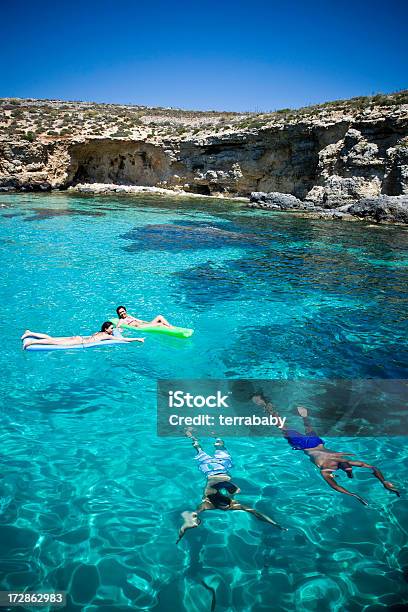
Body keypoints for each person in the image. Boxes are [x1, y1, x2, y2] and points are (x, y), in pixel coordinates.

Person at [252, 393, 400, 506]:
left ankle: (266, 405)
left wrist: (355, 494)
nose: (343, 462)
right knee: (295, 426)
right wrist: (383, 481)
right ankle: (296, 413)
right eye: (345, 463)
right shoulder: (337, 466)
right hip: (315, 443)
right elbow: (372, 468)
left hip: (307, 444)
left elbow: (337, 486)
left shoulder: (327, 470)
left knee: (284, 425)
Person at [176, 432, 286, 544]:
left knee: (207, 449)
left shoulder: (209, 504)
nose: (227, 508)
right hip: (212, 468)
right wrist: (275, 524)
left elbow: (257, 513)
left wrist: (184, 529)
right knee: (206, 449)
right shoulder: (220, 504)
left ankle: (198, 437)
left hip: (215, 468)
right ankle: (207, 436)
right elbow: (256, 513)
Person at [21, 321, 145, 349]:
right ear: (106, 329)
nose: (112, 330)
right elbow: (124, 340)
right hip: (79, 342)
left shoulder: (99, 332)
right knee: (54, 342)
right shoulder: (107, 336)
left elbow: (118, 334)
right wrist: (137, 338)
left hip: (79, 338)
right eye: (111, 328)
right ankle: (31, 343)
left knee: (53, 338)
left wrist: (118, 329)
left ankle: (30, 333)